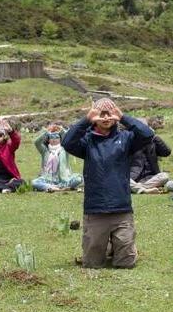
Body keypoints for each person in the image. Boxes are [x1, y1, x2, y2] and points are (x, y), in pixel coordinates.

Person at [62, 98, 153, 268]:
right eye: (101, 114)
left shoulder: (125, 139)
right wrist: (87, 119)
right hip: (95, 210)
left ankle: (118, 245)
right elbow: (67, 142)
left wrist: (122, 116)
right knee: (92, 264)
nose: (105, 118)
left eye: (109, 114)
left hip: (121, 209)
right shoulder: (87, 142)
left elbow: (147, 135)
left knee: (126, 263)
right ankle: (108, 245)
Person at [31, 124, 83, 192]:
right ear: (48, 140)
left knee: (78, 179)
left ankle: (59, 187)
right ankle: (53, 187)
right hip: (48, 180)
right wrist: (46, 132)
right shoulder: (45, 151)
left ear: (60, 139)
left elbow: (69, 139)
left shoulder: (65, 149)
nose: (54, 139)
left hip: (64, 180)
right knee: (34, 182)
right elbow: (37, 143)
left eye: (57, 137)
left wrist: (62, 131)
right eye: (52, 137)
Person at [129, 120, 171, 194]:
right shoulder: (129, 142)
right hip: (134, 178)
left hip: (151, 178)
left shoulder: (152, 141)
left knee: (165, 176)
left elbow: (166, 152)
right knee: (123, 177)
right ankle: (143, 189)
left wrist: (154, 136)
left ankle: (138, 188)